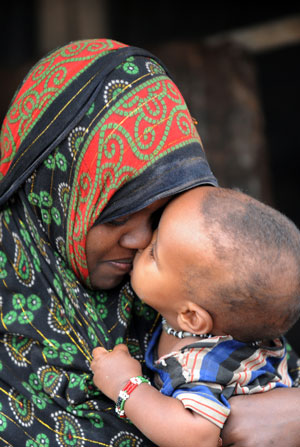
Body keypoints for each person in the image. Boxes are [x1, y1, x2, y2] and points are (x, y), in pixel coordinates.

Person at [0, 37, 299, 447]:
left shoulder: (192, 285)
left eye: (158, 214)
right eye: (117, 216)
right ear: (51, 197)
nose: (142, 239)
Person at [91, 186, 300, 447]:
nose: (141, 244)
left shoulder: (203, 363)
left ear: (191, 317)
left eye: (154, 253)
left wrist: (126, 385)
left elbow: (198, 436)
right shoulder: (233, 327)